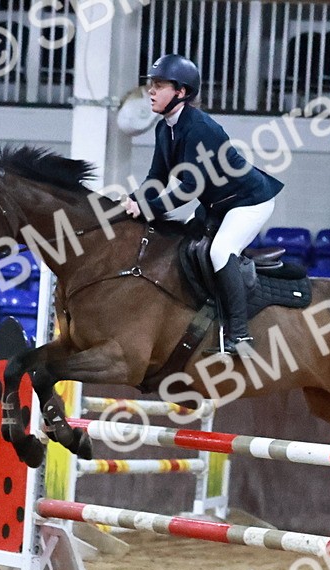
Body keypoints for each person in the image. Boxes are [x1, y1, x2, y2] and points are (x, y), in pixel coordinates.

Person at [123, 54, 284, 355]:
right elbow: (156, 177)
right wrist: (132, 200)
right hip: (217, 205)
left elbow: (188, 189)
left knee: (221, 251)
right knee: (182, 246)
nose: (151, 91)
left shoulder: (201, 129)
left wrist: (147, 208)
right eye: (151, 85)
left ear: (181, 92)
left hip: (249, 201)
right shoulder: (164, 128)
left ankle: (240, 335)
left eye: (159, 85)